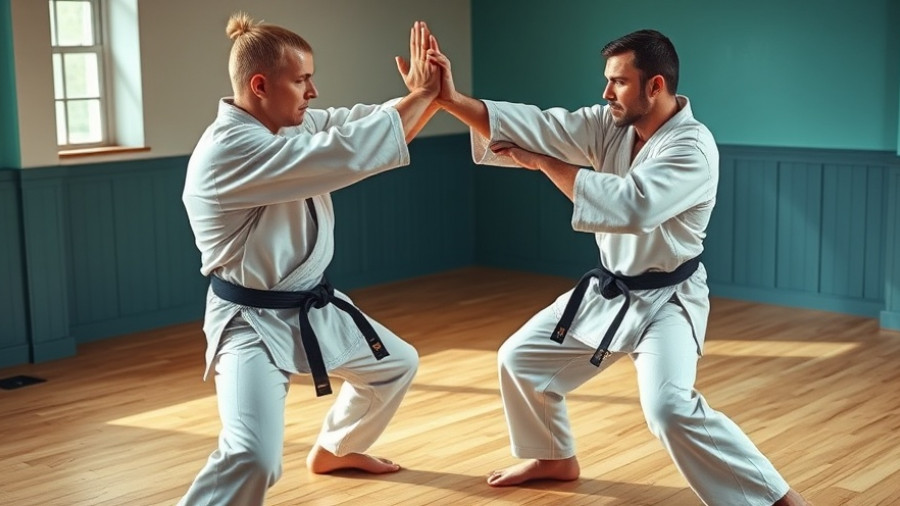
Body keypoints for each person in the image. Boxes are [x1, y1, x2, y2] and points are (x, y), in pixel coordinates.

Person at [426, 29, 809, 505]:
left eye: (619, 82)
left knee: (669, 410)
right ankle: (552, 457)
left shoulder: (691, 147)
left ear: (656, 86)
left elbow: (631, 207)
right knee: (519, 360)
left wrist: (544, 164)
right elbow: (537, 126)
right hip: (611, 292)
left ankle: (776, 499)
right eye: (607, 81)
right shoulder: (612, 125)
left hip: (669, 300)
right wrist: (450, 99)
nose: (606, 92)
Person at [178, 13, 440, 505]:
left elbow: (360, 125)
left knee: (394, 365)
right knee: (252, 458)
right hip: (249, 322)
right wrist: (425, 96)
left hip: (309, 306)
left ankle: (338, 448)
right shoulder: (230, 150)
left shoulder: (283, 127)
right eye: (301, 80)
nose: (313, 92)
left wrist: (428, 97)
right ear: (260, 85)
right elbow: (347, 153)